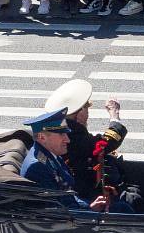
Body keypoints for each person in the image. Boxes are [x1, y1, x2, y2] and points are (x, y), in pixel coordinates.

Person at [46, 79, 138, 212]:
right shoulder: (73, 133)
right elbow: (106, 143)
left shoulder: (66, 127)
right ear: (79, 113)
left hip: (81, 182)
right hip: (81, 191)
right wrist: (114, 116)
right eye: (86, 108)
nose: (88, 113)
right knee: (126, 207)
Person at [19, 109, 109, 212]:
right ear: (42, 137)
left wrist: (90, 206)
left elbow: (66, 194)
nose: (68, 140)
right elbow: (57, 211)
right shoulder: (37, 167)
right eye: (61, 134)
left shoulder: (52, 155)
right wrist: (90, 211)